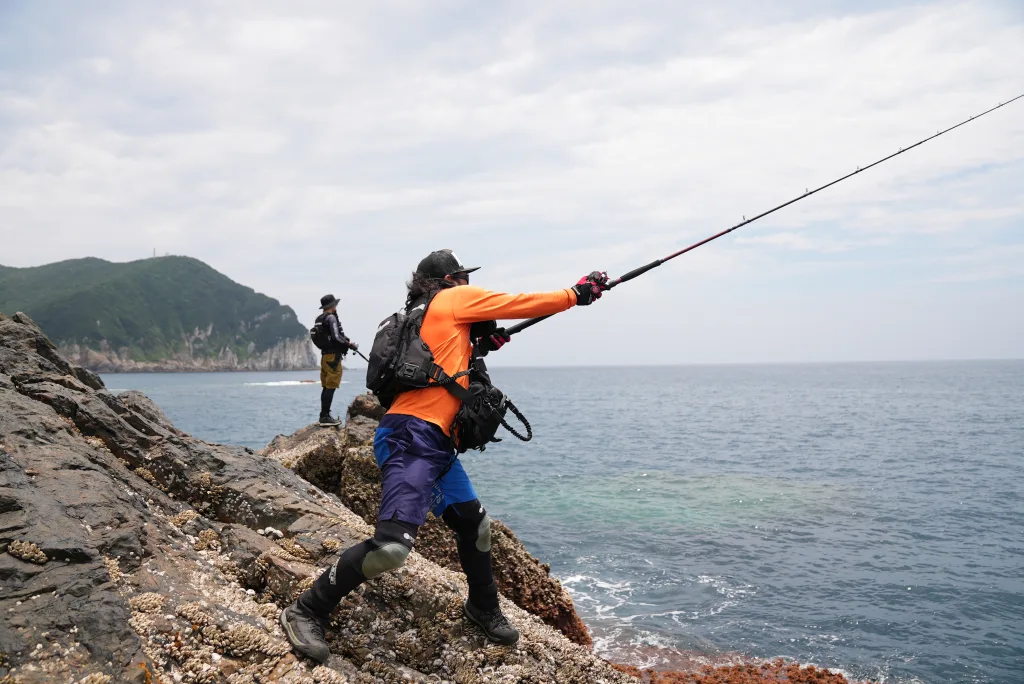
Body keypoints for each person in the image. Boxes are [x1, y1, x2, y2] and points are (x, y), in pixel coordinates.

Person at [280, 250, 609, 662]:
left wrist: (479, 347)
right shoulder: (452, 300)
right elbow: (521, 302)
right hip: (409, 438)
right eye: (462, 278)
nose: (468, 285)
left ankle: (483, 607)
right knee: (391, 549)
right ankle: (307, 609)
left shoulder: (425, 315)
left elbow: (443, 370)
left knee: (476, 526)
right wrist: (577, 292)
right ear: (449, 280)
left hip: (434, 442)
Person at [314, 294, 358, 426]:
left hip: (324, 356)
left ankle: (324, 415)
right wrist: (350, 344)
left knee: (326, 386)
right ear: (332, 306)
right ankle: (325, 416)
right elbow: (336, 337)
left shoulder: (319, 319)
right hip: (333, 357)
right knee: (331, 386)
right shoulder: (331, 318)